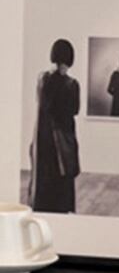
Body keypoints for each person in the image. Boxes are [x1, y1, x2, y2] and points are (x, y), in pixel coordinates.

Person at [27, 38, 80, 214]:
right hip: (62, 142)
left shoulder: (42, 79)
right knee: (62, 184)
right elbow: (74, 109)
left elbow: (44, 106)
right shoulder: (71, 84)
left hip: (43, 140)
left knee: (43, 183)